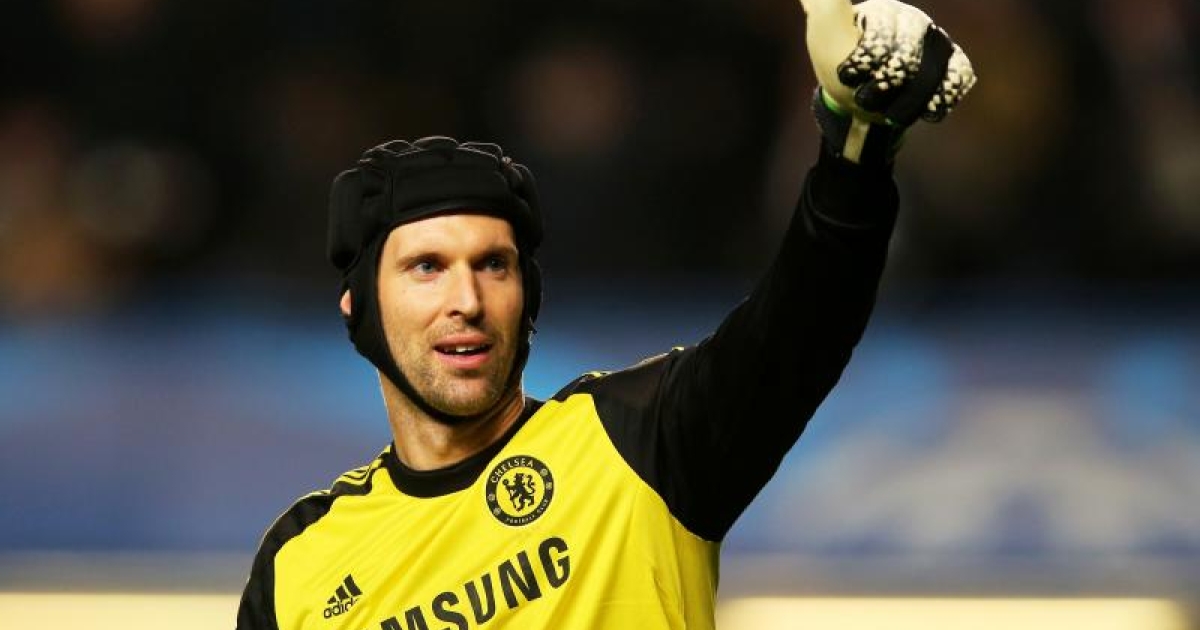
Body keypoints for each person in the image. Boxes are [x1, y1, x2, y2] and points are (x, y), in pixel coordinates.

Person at [236, 0, 975, 628]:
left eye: (494, 265)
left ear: (528, 297)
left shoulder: (639, 441)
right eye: (426, 267)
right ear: (358, 307)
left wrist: (854, 150)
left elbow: (803, 323)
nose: (467, 300)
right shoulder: (299, 562)